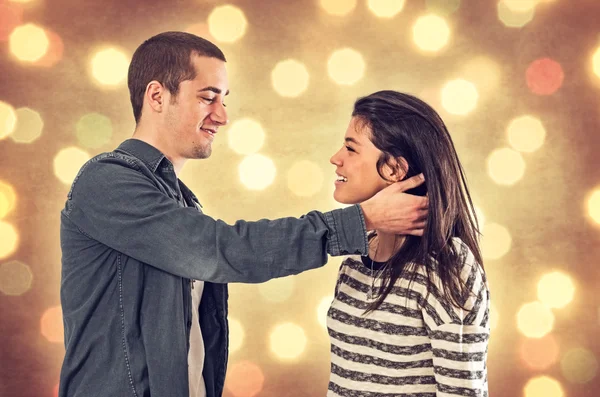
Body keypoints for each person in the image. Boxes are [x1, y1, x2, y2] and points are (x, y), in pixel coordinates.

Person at [58, 32, 428, 397]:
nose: (221, 116)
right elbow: (220, 251)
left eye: (224, 100)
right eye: (208, 98)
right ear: (157, 96)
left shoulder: (181, 202)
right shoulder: (106, 182)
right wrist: (360, 220)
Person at [326, 91, 489, 396]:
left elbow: (462, 391)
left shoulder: (447, 269)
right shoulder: (354, 263)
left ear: (394, 170)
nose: (336, 158)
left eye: (350, 148)